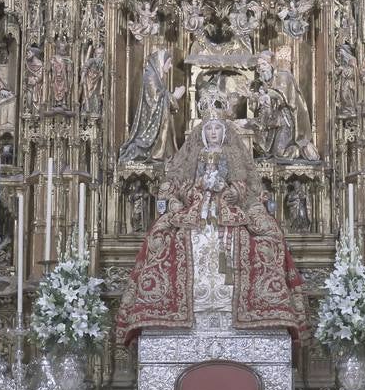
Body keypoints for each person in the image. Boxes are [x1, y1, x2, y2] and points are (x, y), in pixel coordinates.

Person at [116, 117, 308, 344]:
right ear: (203, 133)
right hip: (195, 211)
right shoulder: (193, 155)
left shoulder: (233, 155)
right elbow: (178, 188)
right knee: (160, 237)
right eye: (210, 129)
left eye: (218, 128)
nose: (214, 132)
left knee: (269, 238)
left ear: (224, 133)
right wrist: (197, 188)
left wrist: (226, 188)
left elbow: (243, 186)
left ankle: (240, 305)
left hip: (228, 209)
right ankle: (180, 306)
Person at [118, 48, 185, 162]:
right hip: (149, 126)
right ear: (160, 62)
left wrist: (171, 97)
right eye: (168, 63)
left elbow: (161, 97)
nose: (170, 67)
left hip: (158, 121)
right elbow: (156, 99)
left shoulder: (157, 77)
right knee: (140, 149)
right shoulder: (150, 76)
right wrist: (174, 96)